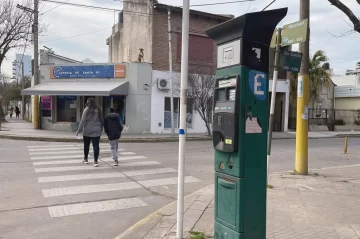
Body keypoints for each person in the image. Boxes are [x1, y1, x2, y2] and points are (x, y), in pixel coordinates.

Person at [76, 98, 104, 167]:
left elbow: (83, 121)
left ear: (88, 103)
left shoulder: (86, 109)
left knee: (86, 145)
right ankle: (95, 161)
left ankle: (86, 159)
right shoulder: (99, 110)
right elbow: (102, 121)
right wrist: (101, 129)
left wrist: (78, 130)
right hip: (96, 130)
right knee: (96, 146)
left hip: (87, 130)